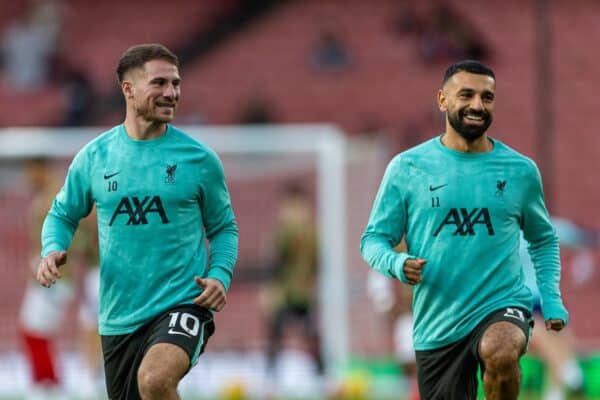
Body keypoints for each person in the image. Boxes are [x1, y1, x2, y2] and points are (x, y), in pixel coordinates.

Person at [35, 43, 239, 400]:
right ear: (128, 89)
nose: (171, 93)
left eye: (175, 84)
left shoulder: (199, 160)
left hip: (183, 302)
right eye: (159, 83)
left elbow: (223, 228)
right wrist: (52, 249)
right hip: (120, 315)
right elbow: (62, 214)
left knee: (155, 381)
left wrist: (220, 274)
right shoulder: (95, 157)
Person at [360, 60, 568, 400]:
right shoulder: (407, 168)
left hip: (501, 303)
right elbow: (373, 240)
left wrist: (552, 298)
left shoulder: (521, 171)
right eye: (466, 95)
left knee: (501, 350)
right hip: (439, 320)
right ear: (442, 100)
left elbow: (542, 238)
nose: (477, 105)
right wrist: (397, 265)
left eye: (487, 97)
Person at [522, 217, 598, 400]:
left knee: (560, 338)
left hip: (541, 298)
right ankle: (570, 371)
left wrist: (583, 266)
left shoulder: (547, 225)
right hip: (522, 299)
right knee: (544, 335)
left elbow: (584, 239)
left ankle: (557, 390)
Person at [18, 157, 74, 400]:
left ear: (41, 169)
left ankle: (46, 384)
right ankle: (48, 381)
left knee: (34, 332)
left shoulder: (54, 198)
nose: (29, 177)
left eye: (32, 171)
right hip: (47, 277)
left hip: (54, 278)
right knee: (36, 332)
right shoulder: (48, 195)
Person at [260, 182, 322, 379]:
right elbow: (274, 265)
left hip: (304, 293)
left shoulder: (312, 234)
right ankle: (270, 379)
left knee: (312, 335)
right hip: (284, 294)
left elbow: (317, 264)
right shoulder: (282, 233)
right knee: (275, 335)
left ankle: (323, 376)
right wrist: (269, 291)